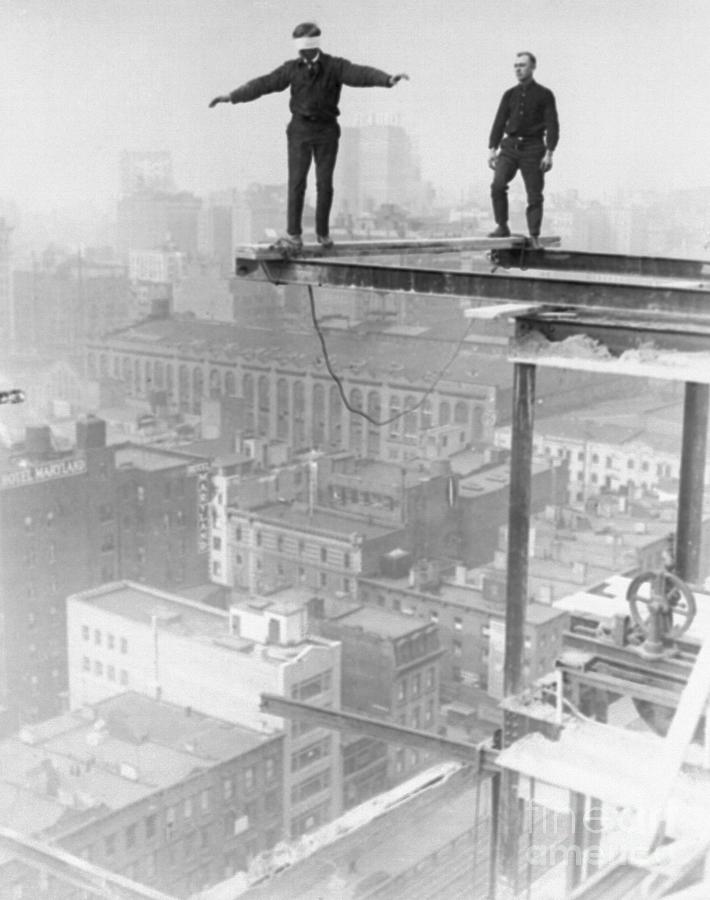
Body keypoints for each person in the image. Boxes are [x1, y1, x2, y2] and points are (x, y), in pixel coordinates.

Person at [210, 22, 408, 252]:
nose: (302, 54)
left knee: (325, 184)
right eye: (300, 50)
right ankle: (294, 234)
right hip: (300, 131)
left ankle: (322, 233)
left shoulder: (334, 66)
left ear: (314, 47)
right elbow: (264, 84)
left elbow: (359, 74)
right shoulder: (291, 69)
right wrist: (232, 96)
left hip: (326, 131)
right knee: (296, 183)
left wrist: (386, 79)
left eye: (305, 50)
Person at [487, 52, 559, 248]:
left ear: (533, 67)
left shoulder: (545, 94)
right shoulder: (509, 94)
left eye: (522, 65)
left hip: (534, 148)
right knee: (497, 185)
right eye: (516, 65)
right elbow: (499, 122)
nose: (518, 69)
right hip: (510, 147)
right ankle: (502, 226)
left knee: (534, 194)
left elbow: (553, 125)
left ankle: (534, 235)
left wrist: (549, 152)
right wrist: (492, 149)